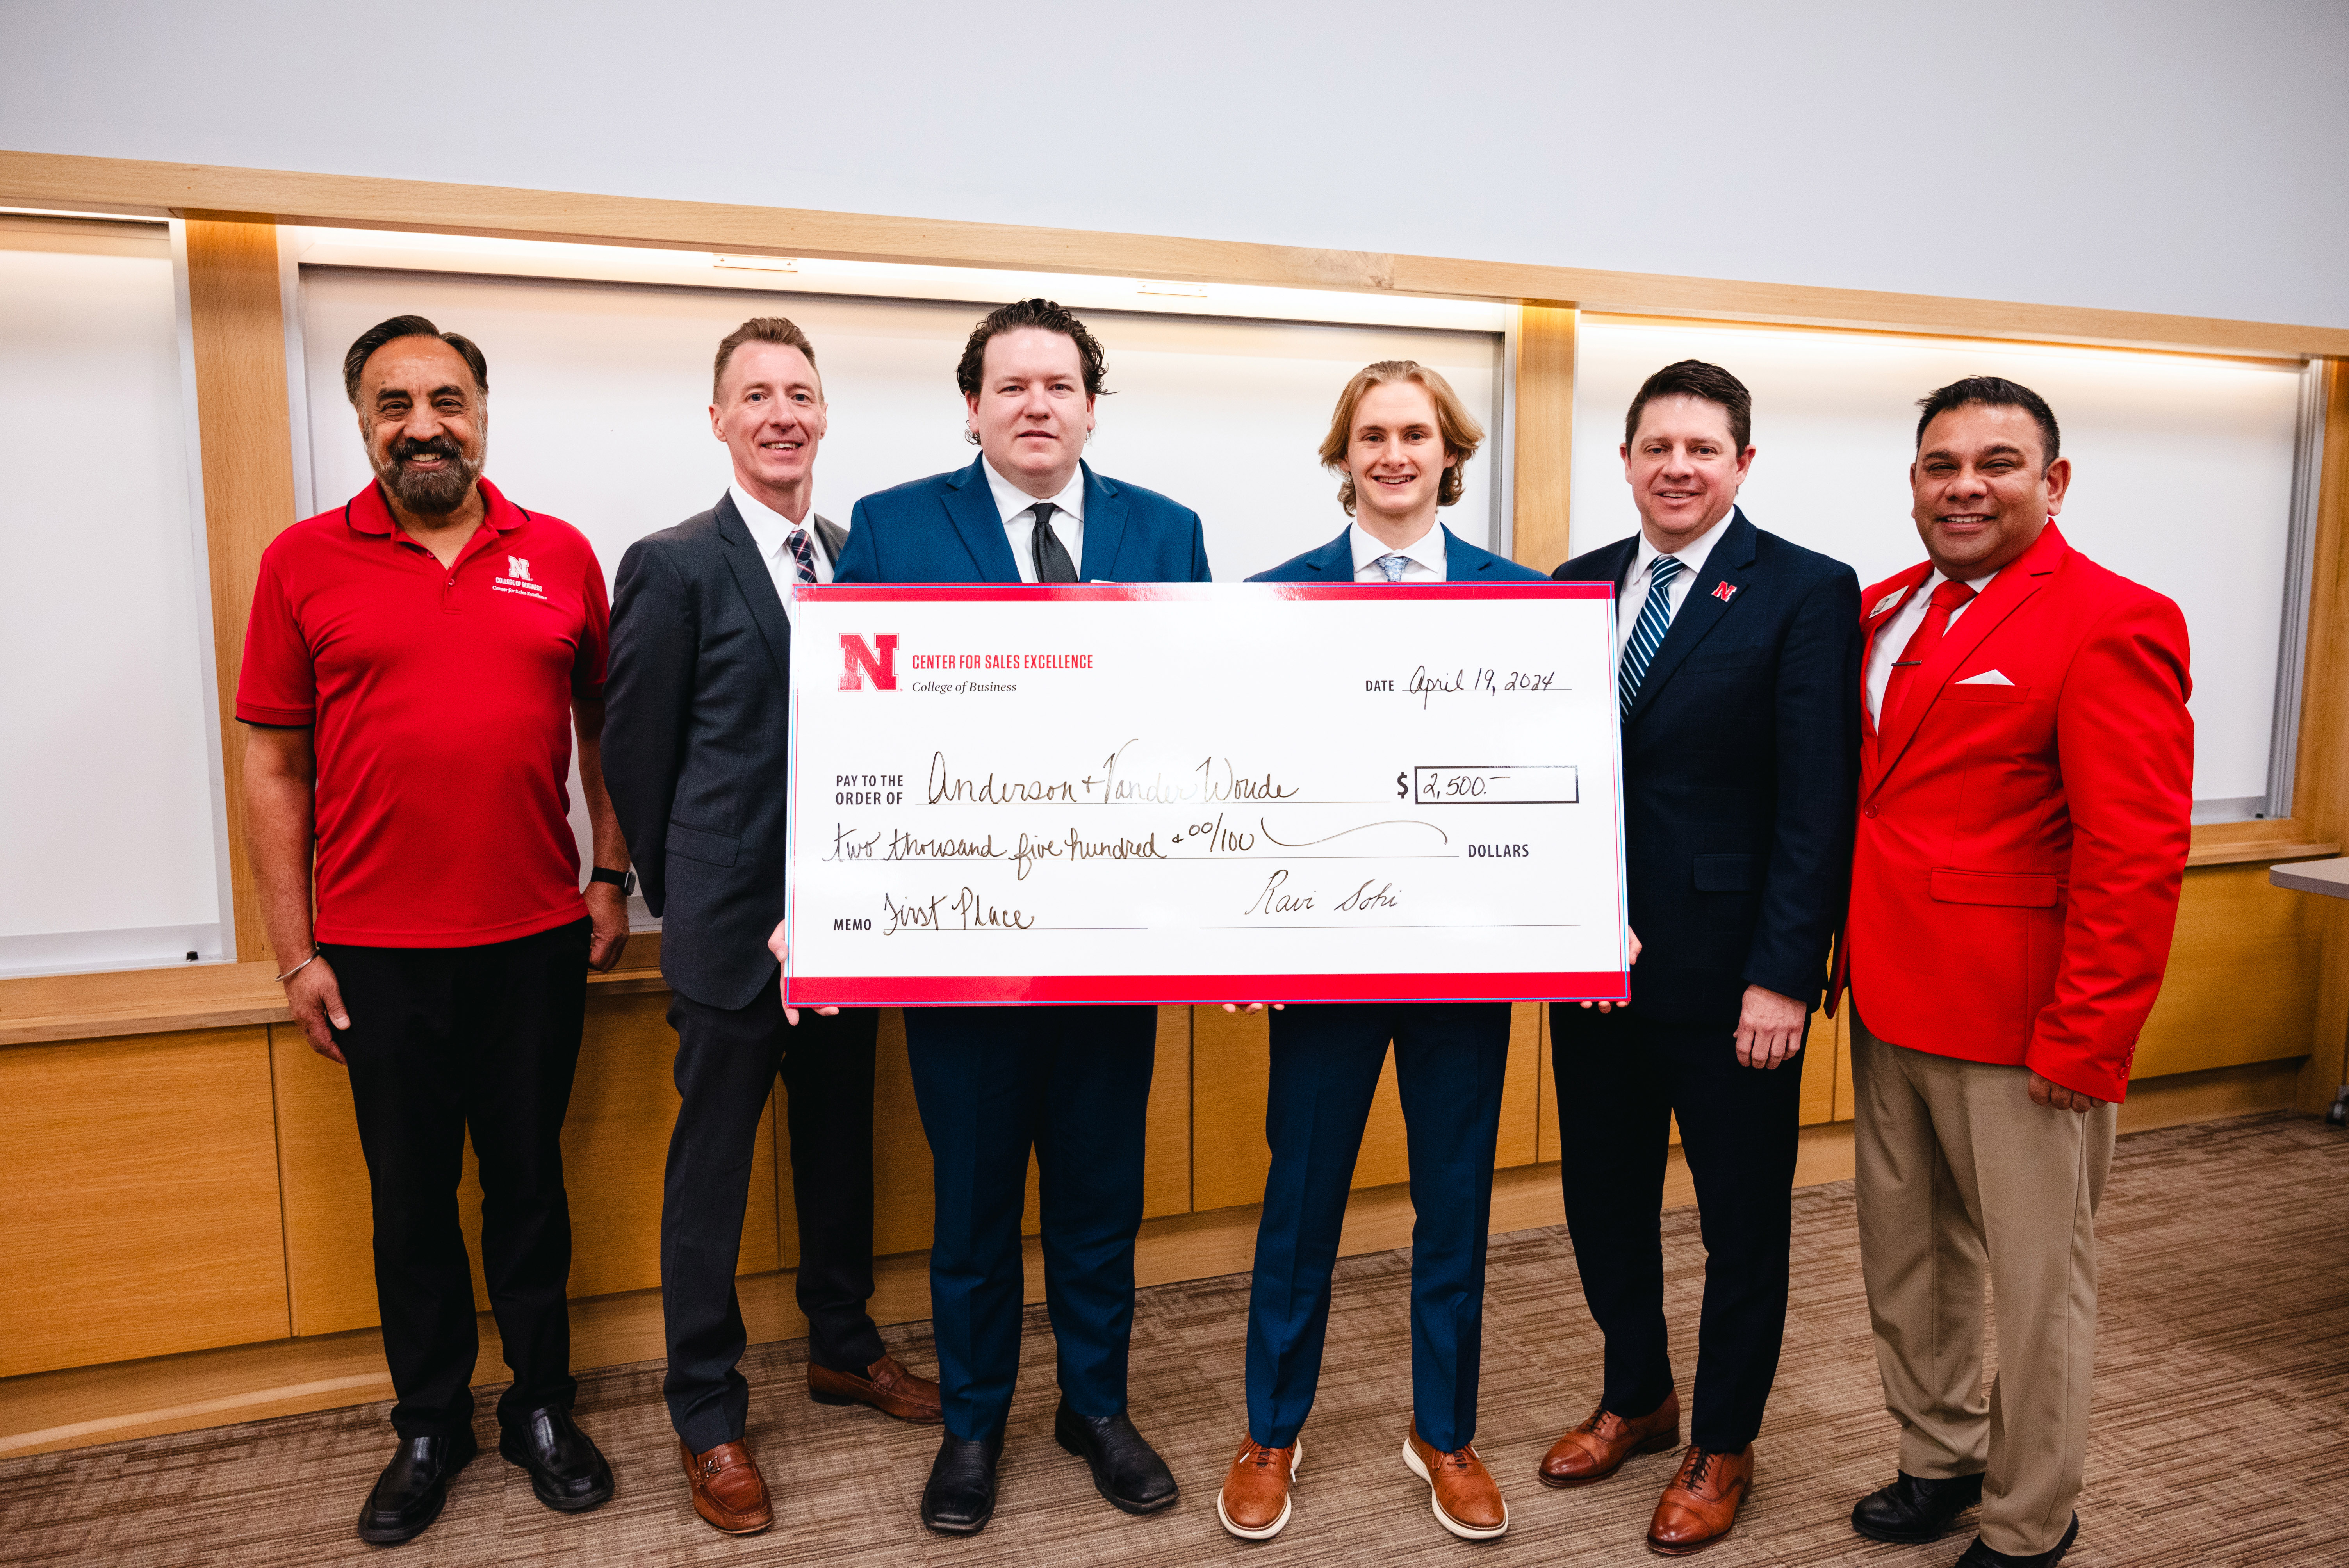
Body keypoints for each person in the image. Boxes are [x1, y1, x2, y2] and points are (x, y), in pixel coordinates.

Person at [237, 315, 627, 1547]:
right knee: (409, 1199)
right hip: (376, 953)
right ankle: (431, 1421)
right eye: (395, 403)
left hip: (534, 941)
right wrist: (294, 950)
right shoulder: (302, 562)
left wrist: (610, 870)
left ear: (482, 413)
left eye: (446, 400)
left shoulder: (559, 554)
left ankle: (542, 1409)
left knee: (527, 1186)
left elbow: (600, 733)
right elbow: (272, 768)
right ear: (362, 421)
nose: (424, 424)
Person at [825, 298, 1211, 1535]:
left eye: (1059, 384)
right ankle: (975, 1422)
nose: (1036, 404)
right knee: (976, 1206)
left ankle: (1095, 1406)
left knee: (1102, 1199)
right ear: (974, 407)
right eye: (1011, 386)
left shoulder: (1168, 529)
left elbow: (1208, 727)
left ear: (1093, 404)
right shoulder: (891, 526)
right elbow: (847, 735)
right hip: (961, 941)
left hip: (1113, 939)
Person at [1841, 378, 2191, 1568]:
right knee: (1910, 1258)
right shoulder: (1886, 609)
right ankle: (1938, 1457)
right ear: (1915, 484)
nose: (1966, 486)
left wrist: (2088, 1036)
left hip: (2023, 1024)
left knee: (2041, 1291)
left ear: (2056, 482)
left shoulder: (2115, 619)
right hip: (1888, 1000)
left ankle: (2033, 1515)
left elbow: (2135, 855)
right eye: (1942, 465)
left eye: (1997, 463)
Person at [603, 317, 943, 1539]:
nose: (782, 414)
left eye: (801, 393)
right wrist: (692, 895)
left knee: (843, 1144)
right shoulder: (675, 563)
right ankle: (706, 1411)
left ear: (825, 414)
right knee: (715, 1169)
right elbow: (636, 755)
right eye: (757, 396)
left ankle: (844, 1347)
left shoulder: (865, 560)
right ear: (719, 421)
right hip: (731, 928)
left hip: (857, 922)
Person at [1213, 361, 1546, 1546]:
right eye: (1372, 436)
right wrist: (1241, 941)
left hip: (1463, 959)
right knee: (1299, 1203)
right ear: (1342, 456)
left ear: (1451, 452)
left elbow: (1541, 784)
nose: (1394, 454)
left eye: (1415, 434)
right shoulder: (1272, 600)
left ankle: (1443, 1433)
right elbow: (1242, 778)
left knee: (1453, 1202)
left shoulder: (1525, 604)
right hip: (1322, 957)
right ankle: (1272, 1427)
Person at [1542, 360, 1859, 1554]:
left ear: (1742, 463)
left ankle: (1724, 1438)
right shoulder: (1572, 590)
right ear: (1625, 461)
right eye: (1656, 447)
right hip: (1593, 970)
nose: (1678, 467)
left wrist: (1785, 971)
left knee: (1742, 1222)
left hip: (1736, 984)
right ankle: (1638, 1393)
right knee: (1602, 1201)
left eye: (1703, 449)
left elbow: (1815, 802)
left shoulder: (1803, 591)